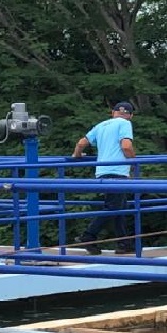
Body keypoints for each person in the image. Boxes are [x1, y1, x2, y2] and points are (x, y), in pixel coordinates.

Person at [71, 101, 136, 255]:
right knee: (113, 207)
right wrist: (134, 162)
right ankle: (88, 236)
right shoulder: (125, 124)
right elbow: (126, 146)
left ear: (112, 112)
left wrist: (76, 156)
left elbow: (81, 143)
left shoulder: (102, 125)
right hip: (118, 172)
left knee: (119, 207)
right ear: (131, 115)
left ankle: (124, 243)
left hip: (102, 171)